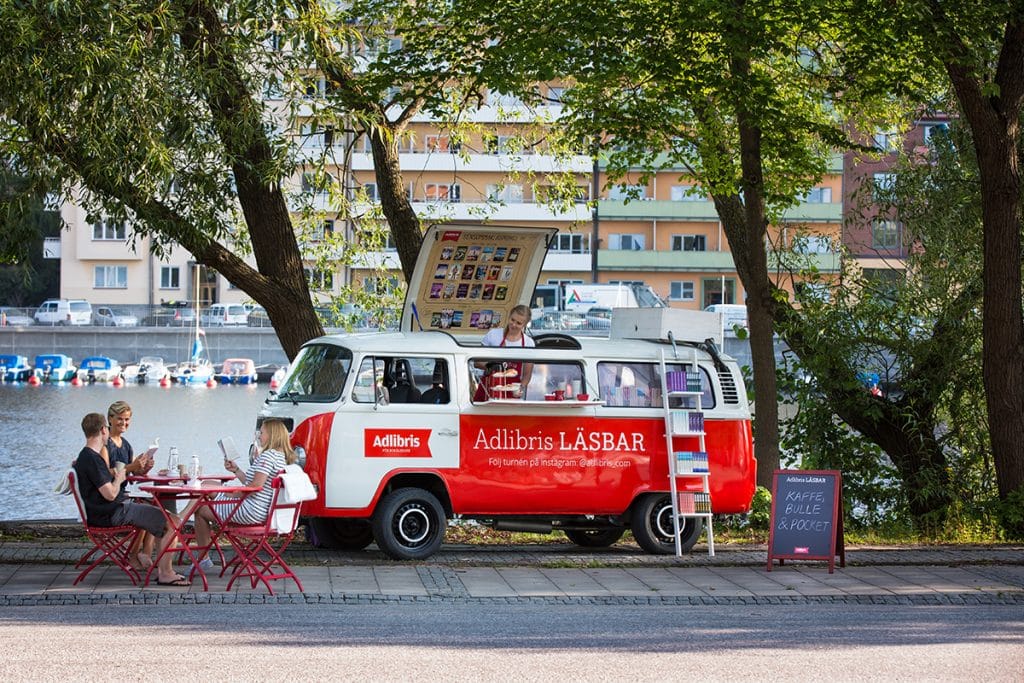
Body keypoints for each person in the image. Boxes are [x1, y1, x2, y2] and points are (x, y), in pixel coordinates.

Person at [72, 412, 188, 586]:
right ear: (104, 430)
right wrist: (120, 477)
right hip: (112, 513)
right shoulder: (93, 459)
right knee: (173, 522)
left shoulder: (85, 457)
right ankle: (166, 573)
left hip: (106, 511)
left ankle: (161, 568)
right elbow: (110, 494)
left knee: (161, 518)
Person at [189, 419, 297, 568]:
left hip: (250, 511)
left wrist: (232, 494)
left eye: (262, 432)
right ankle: (201, 556)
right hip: (263, 510)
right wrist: (236, 470)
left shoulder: (268, 456)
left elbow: (255, 487)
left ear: (272, 435)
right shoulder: (281, 457)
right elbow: (253, 483)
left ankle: (202, 558)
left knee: (200, 509)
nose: (259, 436)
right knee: (206, 485)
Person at [106, 401, 158, 570]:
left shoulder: (126, 444)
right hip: (110, 498)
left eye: (127, 419)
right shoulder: (105, 444)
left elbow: (132, 474)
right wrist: (132, 467)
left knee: (155, 507)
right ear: (110, 419)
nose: (124, 423)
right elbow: (104, 473)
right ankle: (134, 556)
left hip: (122, 494)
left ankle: (145, 553)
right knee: (146, 513)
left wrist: (143, 468)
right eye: (120, 419)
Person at [474, 304, 534, 400]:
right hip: (488, 388)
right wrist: (491, 367)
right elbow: (477, 362)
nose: (514, 325)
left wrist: (520, 388)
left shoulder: (528, 343)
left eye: (519, 323)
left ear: (525, 324)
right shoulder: (493, 335)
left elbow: (527, 374)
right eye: (512, 320)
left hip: (511, 391)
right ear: (509, 317)